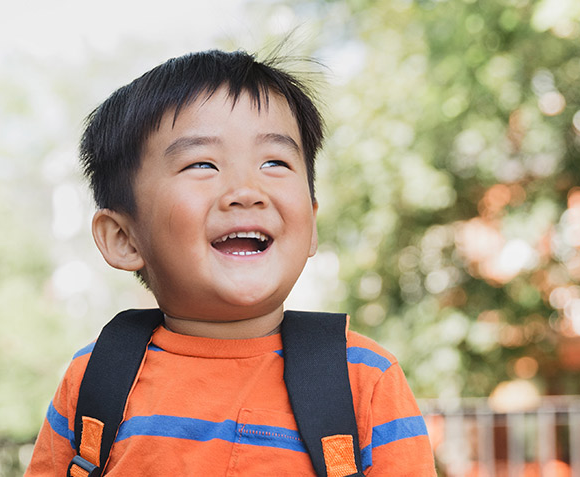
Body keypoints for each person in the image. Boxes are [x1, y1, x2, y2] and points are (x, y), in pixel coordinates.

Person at [24, 49, 437, 476]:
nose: (246, 190)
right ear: (124, 239)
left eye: (275, 162)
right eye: (202, 163)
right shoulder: (96, 380)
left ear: (311, 225)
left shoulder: (363, 382)